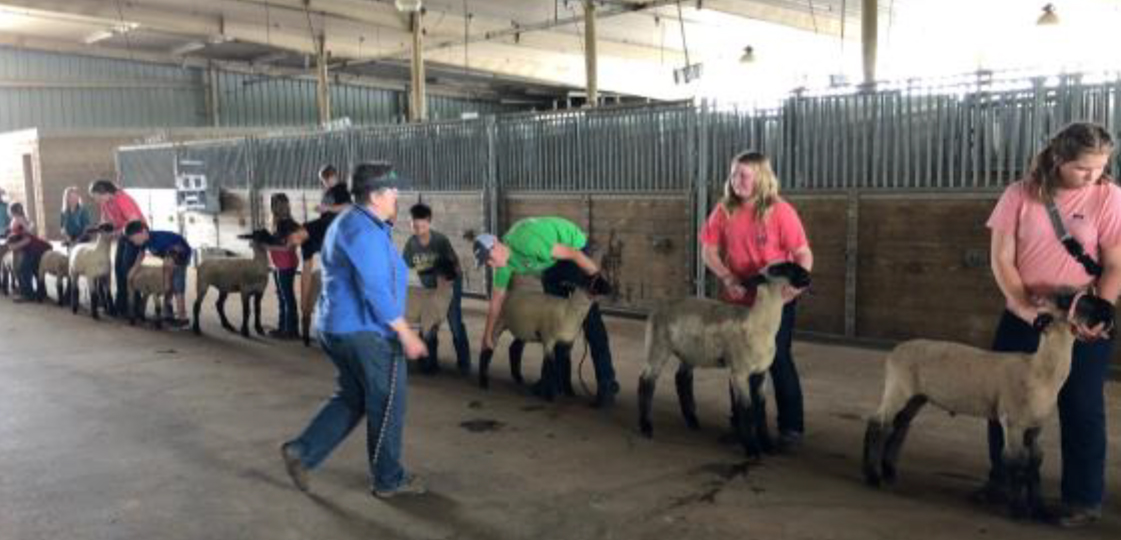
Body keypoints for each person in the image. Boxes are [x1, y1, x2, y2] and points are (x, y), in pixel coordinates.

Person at [981, 122, 1121, 528]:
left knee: (1081, 404)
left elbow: (1114, 265)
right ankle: (1005, 482)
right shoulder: (1019, 194)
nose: (1092, 176)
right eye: (1082, 168)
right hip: (1025, 313)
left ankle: (1081, 497)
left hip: (1080, 316)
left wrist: (1100, 311)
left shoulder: (1109, 198)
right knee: (1006, 402)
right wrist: (1025, 307)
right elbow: (1002, 260)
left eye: (1101, 167)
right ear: (1059, 158)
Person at [280, 161, 429, 499]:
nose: (396, 196)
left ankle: (303, 452)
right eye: (392, 191)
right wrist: (404, 332)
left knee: (353, 397)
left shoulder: (353, 222)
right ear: (375, 195)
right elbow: (375, 288)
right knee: (388, 403)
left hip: (338, 327)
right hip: (367, 333)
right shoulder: (362, 231)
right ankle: (388, 479)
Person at [699, 150, 813, 452]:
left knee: (776, 359)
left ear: (761, 178)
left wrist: (798, 285)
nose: (737, 181)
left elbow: (802, 252)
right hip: (737, 298)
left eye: (744, 175)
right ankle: (744, 424)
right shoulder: (724, 211)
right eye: (734, 174)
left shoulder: (780, 211)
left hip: (774, 302)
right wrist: (726, 277)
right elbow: (708, 251)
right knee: (738, 360)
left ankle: (791, 429)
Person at [472, 216, 619, 408]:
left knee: (590, 320)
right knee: (554, 321)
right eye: (486, 263)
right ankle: (557, 381)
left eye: (489, 259)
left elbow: (573, 254)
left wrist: (595, 276)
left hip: (572, 249)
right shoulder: (503, 265)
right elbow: (496, 301)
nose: (490, 265)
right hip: (550, 262)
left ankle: (607, 386)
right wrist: (487, 336)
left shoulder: (525, 242)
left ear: (497, 246)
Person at [403, 203, 471, 375]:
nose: (419, 229)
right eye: (415, 225)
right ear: (409, 223)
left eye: (423, 225)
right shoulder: (411, 244)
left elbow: (453, 265)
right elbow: (402, 266)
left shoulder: (440, 240)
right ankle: (427, 361)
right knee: (430, 323)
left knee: (454, 320)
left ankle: (464, 363)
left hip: (447, 285)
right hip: (429, 288)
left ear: (429, 222)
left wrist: (449, 285)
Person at [295, 164, 352, 329]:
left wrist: (327, 208)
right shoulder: (328, 192)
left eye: (324, 180)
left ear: (331, 176)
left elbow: (348, 207)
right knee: (306, 264)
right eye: (323, 181)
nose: (324, 184)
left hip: (332, 234)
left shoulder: (342, 189)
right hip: (322, 231)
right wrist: (324, 209)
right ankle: (305, 310)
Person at [89, 179, 146, 317]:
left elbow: (134, 221)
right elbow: (105, 220)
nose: (96, 201)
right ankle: (122, 304)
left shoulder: (122, 199)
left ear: (104, 193)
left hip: (136, 234)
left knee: (128, 268)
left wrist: (114, 233)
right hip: (123, 234)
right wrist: (98, 228)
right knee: (118, 267)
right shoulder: (106, 203)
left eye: (96, 197)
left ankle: (135, 305)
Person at [124, 220, 191, 325]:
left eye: (134, 239)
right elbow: (141, 254)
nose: (134, 242)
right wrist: (133, 270)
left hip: (181, 256)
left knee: (177, 286)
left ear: (144, 232)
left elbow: (171, 260)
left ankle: (182, 318)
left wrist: (167, 282)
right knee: (168, 286)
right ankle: (168, 311)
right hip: (168, 257)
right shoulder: (145, 241)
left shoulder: (160, 241)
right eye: (132, 240)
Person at [265, 193, 303, 339]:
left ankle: (291, 331)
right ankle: (282, 327)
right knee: (282, 296)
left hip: (285, 263)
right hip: (280, 263)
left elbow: (288, 248)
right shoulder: (284, 222)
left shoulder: (286, 224)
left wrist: (268, 246)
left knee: (287, 297)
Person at [5, 219, 52, 303]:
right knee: (35, 270)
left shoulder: (25, 234)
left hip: (38, 250)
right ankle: (40, 293)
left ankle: (28, 294)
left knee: (24, 269)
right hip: (37, 250)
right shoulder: (16, 233)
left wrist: (13, 246)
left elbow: (21, 243)